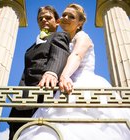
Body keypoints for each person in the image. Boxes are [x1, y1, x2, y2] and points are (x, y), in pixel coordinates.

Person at [18, 3, 130, 140]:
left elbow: (76, 55)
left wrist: (64, 76)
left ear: (80, 22)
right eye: (64, 15)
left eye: (71, 16)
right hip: (62, 88)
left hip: (80, 84)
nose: (65, 17)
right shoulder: (63, 39)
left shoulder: (82, 36)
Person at [8, 5, 70, 140]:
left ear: (57, 21)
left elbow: (59, 54)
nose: (44, 20)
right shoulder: (31, 47)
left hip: (44, 96)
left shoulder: (59, 36)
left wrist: (52, 72)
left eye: (48, 17)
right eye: (40, 19)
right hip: (22, 101)